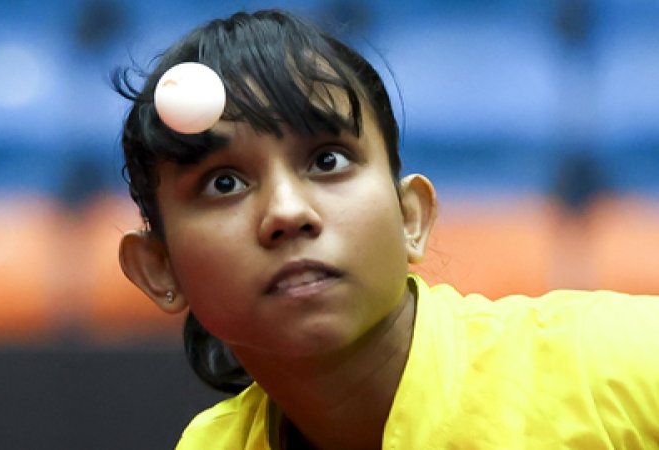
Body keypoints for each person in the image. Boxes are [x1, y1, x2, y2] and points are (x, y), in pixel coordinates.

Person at [113, 9, 659, 449]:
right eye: (224, 184)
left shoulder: (619, 369)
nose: (287, 212)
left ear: (410, 218)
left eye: (327, 161)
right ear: (160, 270)